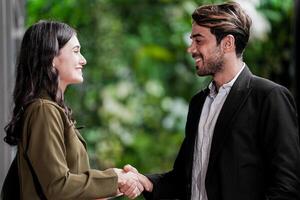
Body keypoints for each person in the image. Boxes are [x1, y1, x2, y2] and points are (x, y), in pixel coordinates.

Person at [125, 1, 300, 200]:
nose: (191, 49)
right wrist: (145, 182)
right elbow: (185, 179)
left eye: (199, 40)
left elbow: (286, 187)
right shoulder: (198, 103)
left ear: (227, 43)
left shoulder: (269, 97)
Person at [3, 20, 144, 199]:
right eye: (76, 51)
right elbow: (57, 187)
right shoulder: (43, 110)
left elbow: (68, 189)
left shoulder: (50, 109)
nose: (83, 60)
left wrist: (117, 184)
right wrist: (114, 179)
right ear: (51, 57)